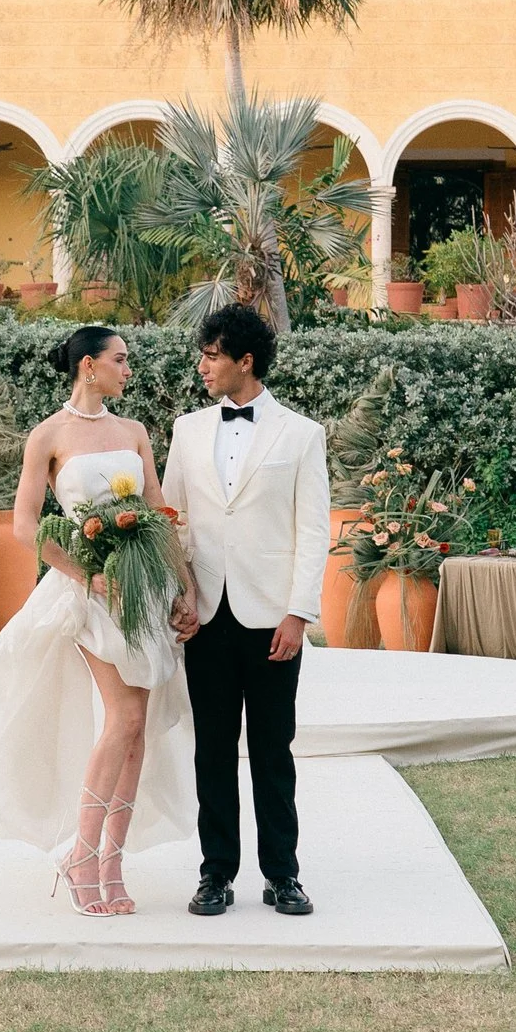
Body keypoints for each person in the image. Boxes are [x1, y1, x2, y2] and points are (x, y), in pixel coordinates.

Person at [0, 326, 198, 915]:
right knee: (125, 716)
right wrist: (90, 577)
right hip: (86, 594)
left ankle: (111, 864)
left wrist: (183, 584)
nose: (128, 369)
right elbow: (27, 524)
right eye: (120, 360)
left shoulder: (134, 432)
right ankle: (81, 855)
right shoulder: (48, 435)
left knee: (138, 728)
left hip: (145, 590)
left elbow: (160, 512)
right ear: (89, 366)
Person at [161, 302, 329, 917]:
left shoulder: (303, 435)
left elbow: (313, 532)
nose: (202, 365)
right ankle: (215, 874)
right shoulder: (186, 430)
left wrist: (298, 613)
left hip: (272, 620)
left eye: (212, 355)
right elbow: (171, 523)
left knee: (271, 750)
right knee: (212, 750)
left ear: (245, 361)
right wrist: (180, 597)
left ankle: (283, 875)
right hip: (204, 615)